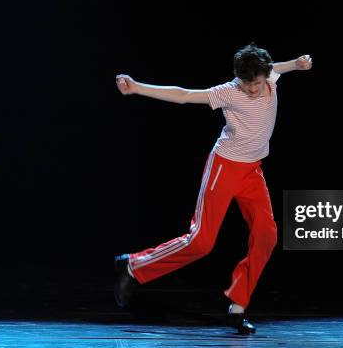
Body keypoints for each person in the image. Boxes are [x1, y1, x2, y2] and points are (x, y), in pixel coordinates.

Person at [114, 43, 313, 334]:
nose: (254, 90)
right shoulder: (229, 92)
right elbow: (183, 95)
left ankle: (238, 306)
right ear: (238, 79)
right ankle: (132, 265)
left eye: (257, 83)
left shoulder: (269, 76)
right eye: (248, 85)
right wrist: (137, 88)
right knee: (201, 242)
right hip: (225, 167)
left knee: (267, 236)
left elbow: (278, 68)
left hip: (252, 170)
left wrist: (296, 64)